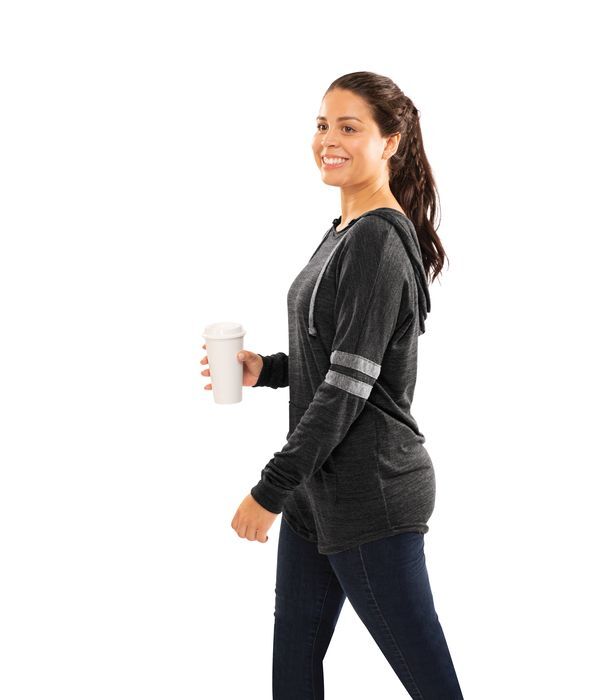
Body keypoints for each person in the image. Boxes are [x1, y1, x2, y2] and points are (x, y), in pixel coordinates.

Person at [200, 71, 464, 699]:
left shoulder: (376, 238)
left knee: (428, 680)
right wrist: (270, 369)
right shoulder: (347, 226)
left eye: (349, 127)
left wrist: (269, 490)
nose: (329, 140)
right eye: (323, 125)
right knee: (293, 664)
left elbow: (347, 388)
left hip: (371, 494)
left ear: (390, 141)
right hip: (319, 492)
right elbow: (344, 354)